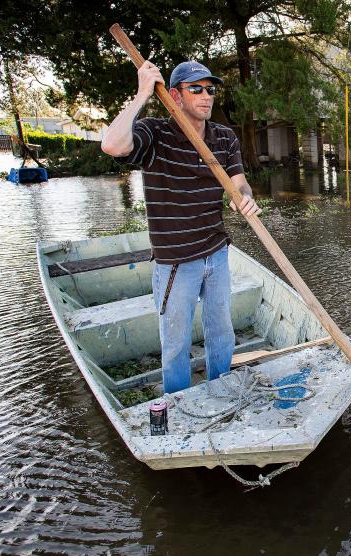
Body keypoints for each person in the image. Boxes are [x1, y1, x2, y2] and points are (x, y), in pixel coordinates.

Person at [101, 59, 260, 393]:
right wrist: (143, 92)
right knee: (175, 343)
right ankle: (178, 401)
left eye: (210, 89)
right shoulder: (155, 133)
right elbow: (112, 145)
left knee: (222, 334)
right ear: (174, 95)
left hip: (216, 255)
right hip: (175, 262)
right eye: (196, 89)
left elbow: (239, 183)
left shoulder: (224, 137)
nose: (206, 96)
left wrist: (242, 198)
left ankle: (221, 389)